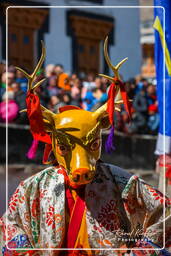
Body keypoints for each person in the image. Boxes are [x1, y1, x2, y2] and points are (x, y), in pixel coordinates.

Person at [1, 39, 171, 256]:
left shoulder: (123, 183)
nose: (81, 161)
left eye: (92, 145)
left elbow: (166, 213)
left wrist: (140, 252)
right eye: (65, 147)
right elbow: (9, 226)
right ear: (53, 142)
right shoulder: (32, 187)